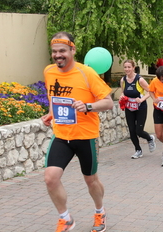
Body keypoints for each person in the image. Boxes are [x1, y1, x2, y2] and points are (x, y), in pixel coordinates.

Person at [41, 32, 114, 232]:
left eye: (63, 51)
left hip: (86, 136)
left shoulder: (86, 73)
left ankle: (100, 212)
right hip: (62, 135)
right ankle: (65, 218)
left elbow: (108, 102)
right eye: (55, 51)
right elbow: (54, 100)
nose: (58, 55)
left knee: (91, 180)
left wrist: (88, 107)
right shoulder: (49, 72)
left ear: (73, 50)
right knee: (50, 178)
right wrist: (50, 115)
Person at [119, 59, 156, 159]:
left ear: (133, 68)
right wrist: (122, 96)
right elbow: (123, 92)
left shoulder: (139, 79)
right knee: (131, 131)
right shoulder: (123, 80)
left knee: (139, 131)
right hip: (129, 108)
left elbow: (150, 91)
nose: (127, 69)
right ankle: (138, 150)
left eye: (129, 67)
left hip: (140, 107)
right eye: (125, 67)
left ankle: (150, 138)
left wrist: (142, 99)